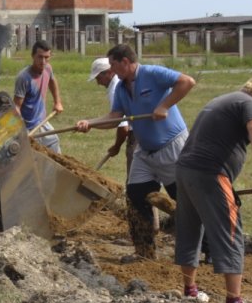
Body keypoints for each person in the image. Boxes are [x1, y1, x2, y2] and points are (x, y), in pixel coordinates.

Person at [75, 44, 195, 259]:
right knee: (136, 194)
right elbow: (115, 117)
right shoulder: (121, 88)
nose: (110, 70)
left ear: (125, 62)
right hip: (145, 151)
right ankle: (145, 252)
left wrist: (165, 106)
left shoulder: (152, 73)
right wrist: (90, 123)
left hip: (171, 147)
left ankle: (207, 248)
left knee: (185, 198)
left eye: (113, 65)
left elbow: (187, 82)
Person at [174, 76, 252, 303]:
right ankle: (234, 302)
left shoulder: (223, 100)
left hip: (185, 170)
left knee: (190, 229)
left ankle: (189, 292)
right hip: (211, 173)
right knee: (230, 231)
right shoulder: (250, 103)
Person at [14, 40, 63, 152]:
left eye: (47, 57)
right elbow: (16, 107)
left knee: (54, 144)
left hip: (42, 122)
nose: (43, 61)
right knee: (29, 159)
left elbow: (52, 81)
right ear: (33, 56)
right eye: (40, 57)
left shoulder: (48, 68)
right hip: (27, 127)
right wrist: (21, 131)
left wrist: (57, 102)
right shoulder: (24, 78)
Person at [87, 57, 134, 174]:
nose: (98, 83)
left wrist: (117, 146)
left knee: (135, 182)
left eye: (99, 78)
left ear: (109, 72)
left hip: (137, 136)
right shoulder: (118, 84)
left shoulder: (115, 89)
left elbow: (123, 127)